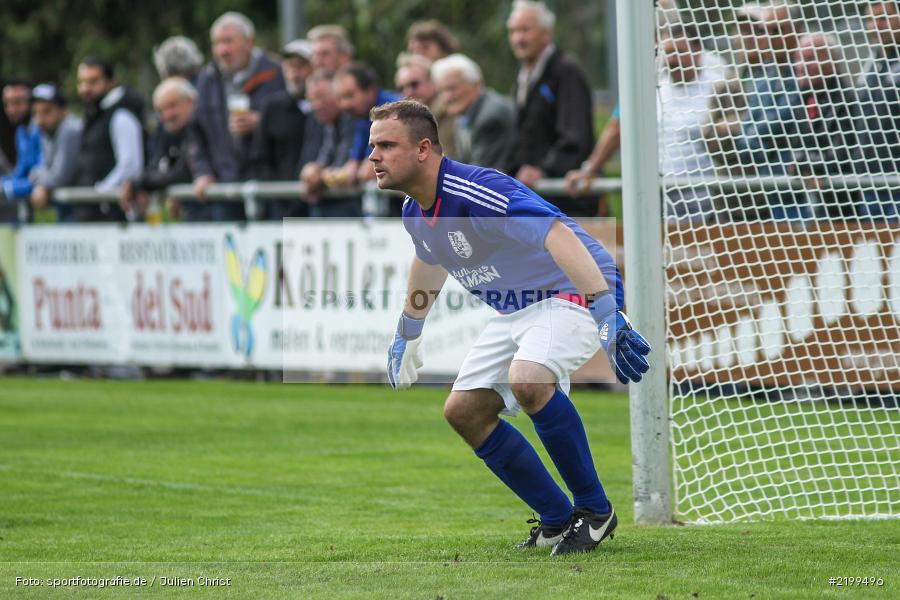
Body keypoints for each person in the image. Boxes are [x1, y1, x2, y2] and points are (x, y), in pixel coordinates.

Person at [372, 100, 651, 554]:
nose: (373, 156)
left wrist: (605, 310)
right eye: (372, 146)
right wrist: (408, 331)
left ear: (423, 149)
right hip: (517, 309)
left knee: (528, 379)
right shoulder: (413, 210)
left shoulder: (476, 189)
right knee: (462, 412)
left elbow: (557, 233)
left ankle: (596, 512)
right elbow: (429, 260)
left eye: (386, 145)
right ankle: (558, 519)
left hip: (571, 292)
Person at [189, 11, 284, 221]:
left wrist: (262, 124)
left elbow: (296, 125)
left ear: (249, 41)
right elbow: (196, 134)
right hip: (225, 189)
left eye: (229, 41)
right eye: (217, 43)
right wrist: (203, 172)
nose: (223, 50)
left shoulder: (277, 74)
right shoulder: (208, 79)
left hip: (270, 188)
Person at [505, 1, 595, 216]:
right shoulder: (523, 78)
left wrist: (544, 169)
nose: (519, 38)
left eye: (525, 30)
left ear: (546, 34)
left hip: (572, 203)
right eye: (514, 31)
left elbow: (576, 136)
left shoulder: (566, 72)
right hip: (538, 203)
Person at [252, 39, 320, 219]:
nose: (295, 73)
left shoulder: (326, 106)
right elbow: (260, 158)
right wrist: (279, 191)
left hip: (322, 202)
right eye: (290, 66)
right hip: (283, 206)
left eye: (301, 66)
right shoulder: (272, 107)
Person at [72, 57, 145, 222]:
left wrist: (102, 192)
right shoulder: (93, 115)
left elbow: (130, 164)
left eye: (93, 81)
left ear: (110, 82)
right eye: (82, 82)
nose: (85, 88)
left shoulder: (121, 115)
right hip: (93, 213)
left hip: (114, 215)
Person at [119, 78, 196, 221]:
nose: (167, 115)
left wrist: (140, 183)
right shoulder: (168, 133)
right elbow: (155, 165)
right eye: (161, 110)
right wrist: (140, 185)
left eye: (172, 106)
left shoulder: (199, 129)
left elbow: (183, 173)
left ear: (191, 101)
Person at [854, 0, 900, 219]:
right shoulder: (871, 63)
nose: (875, 25)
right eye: (870, 20)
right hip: (870, 181)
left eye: (883, 18)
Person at [431, 53, 515, 170]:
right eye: (441, 91)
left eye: (451, 88)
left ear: (476, 85)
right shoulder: (464, 116)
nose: (447, 97)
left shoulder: (491, 116)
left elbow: (478, 172)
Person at [299, 70, 359, 217]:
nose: (316, 105)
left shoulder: (353, 117)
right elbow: (326, 157)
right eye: (311, 100)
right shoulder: (330, 124)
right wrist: (313, 169)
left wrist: (320, 175)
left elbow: (343, 167)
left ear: (337, 94)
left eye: (321, 97)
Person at [333, 62, 401, 185]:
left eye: (350, 95)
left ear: (370, 91)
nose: (344, 105)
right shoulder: (362, 116)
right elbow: (354, 161)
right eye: (340, 98)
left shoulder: (393, 109)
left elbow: (368, 171)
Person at [28, 84, 82, 219]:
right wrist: (40, 178)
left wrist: (37, 178)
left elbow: (60, 176)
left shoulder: (69, 130)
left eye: (46, 112)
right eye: (35, 113)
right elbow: (46, 168)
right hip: (69, 208)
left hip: (82, 209)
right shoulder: (47, 132)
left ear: (63, 111)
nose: (39, 120)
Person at [396, 52, 456, 158]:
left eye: (414, 84)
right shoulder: (406, 121)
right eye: (401, 88)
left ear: (433, 82)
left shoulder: (451, 112)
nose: (408, 92)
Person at [0, 79, 41, 220]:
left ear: (30, 103)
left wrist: (8, 188)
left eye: (17, 102)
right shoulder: (21, 132)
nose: (11, 109)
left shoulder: (41, 129)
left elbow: (40, 175)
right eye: (7, 103)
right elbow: (20, 172)